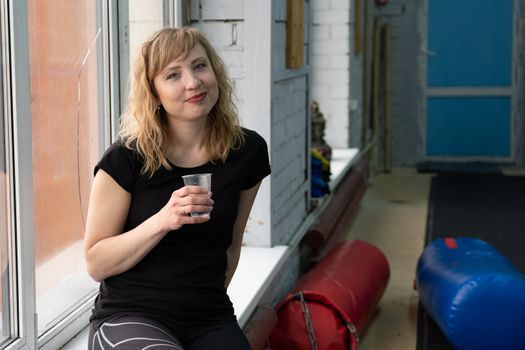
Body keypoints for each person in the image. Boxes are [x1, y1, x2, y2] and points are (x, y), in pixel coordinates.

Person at [84, 26, 270, 350]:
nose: (193, 82)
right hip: (130, 315)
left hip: (208, 316)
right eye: (173, 75)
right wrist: (163, 220)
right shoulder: (125, 159)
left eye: (200, 66)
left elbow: (231, 246)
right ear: (154, 93)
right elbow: (96, 263)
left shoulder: (247, 152)